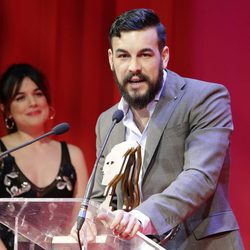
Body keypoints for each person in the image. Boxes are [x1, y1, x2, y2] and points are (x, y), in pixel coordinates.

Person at [86, 8, 244, 250]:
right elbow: (101, 196)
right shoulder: (108, 121)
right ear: (110, 59)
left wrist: (140, 217)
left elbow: (199, 176)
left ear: (164, 55)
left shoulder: (205, 99)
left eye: (145, 55)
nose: (134, 67)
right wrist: (90, 221)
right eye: (123, 56)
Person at [0, 63, 88, 249]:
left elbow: (80, 221)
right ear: (7, 110)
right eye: (20, 97)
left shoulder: (73, 155)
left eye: (38, 94)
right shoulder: (2, 153)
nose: (33, 102)